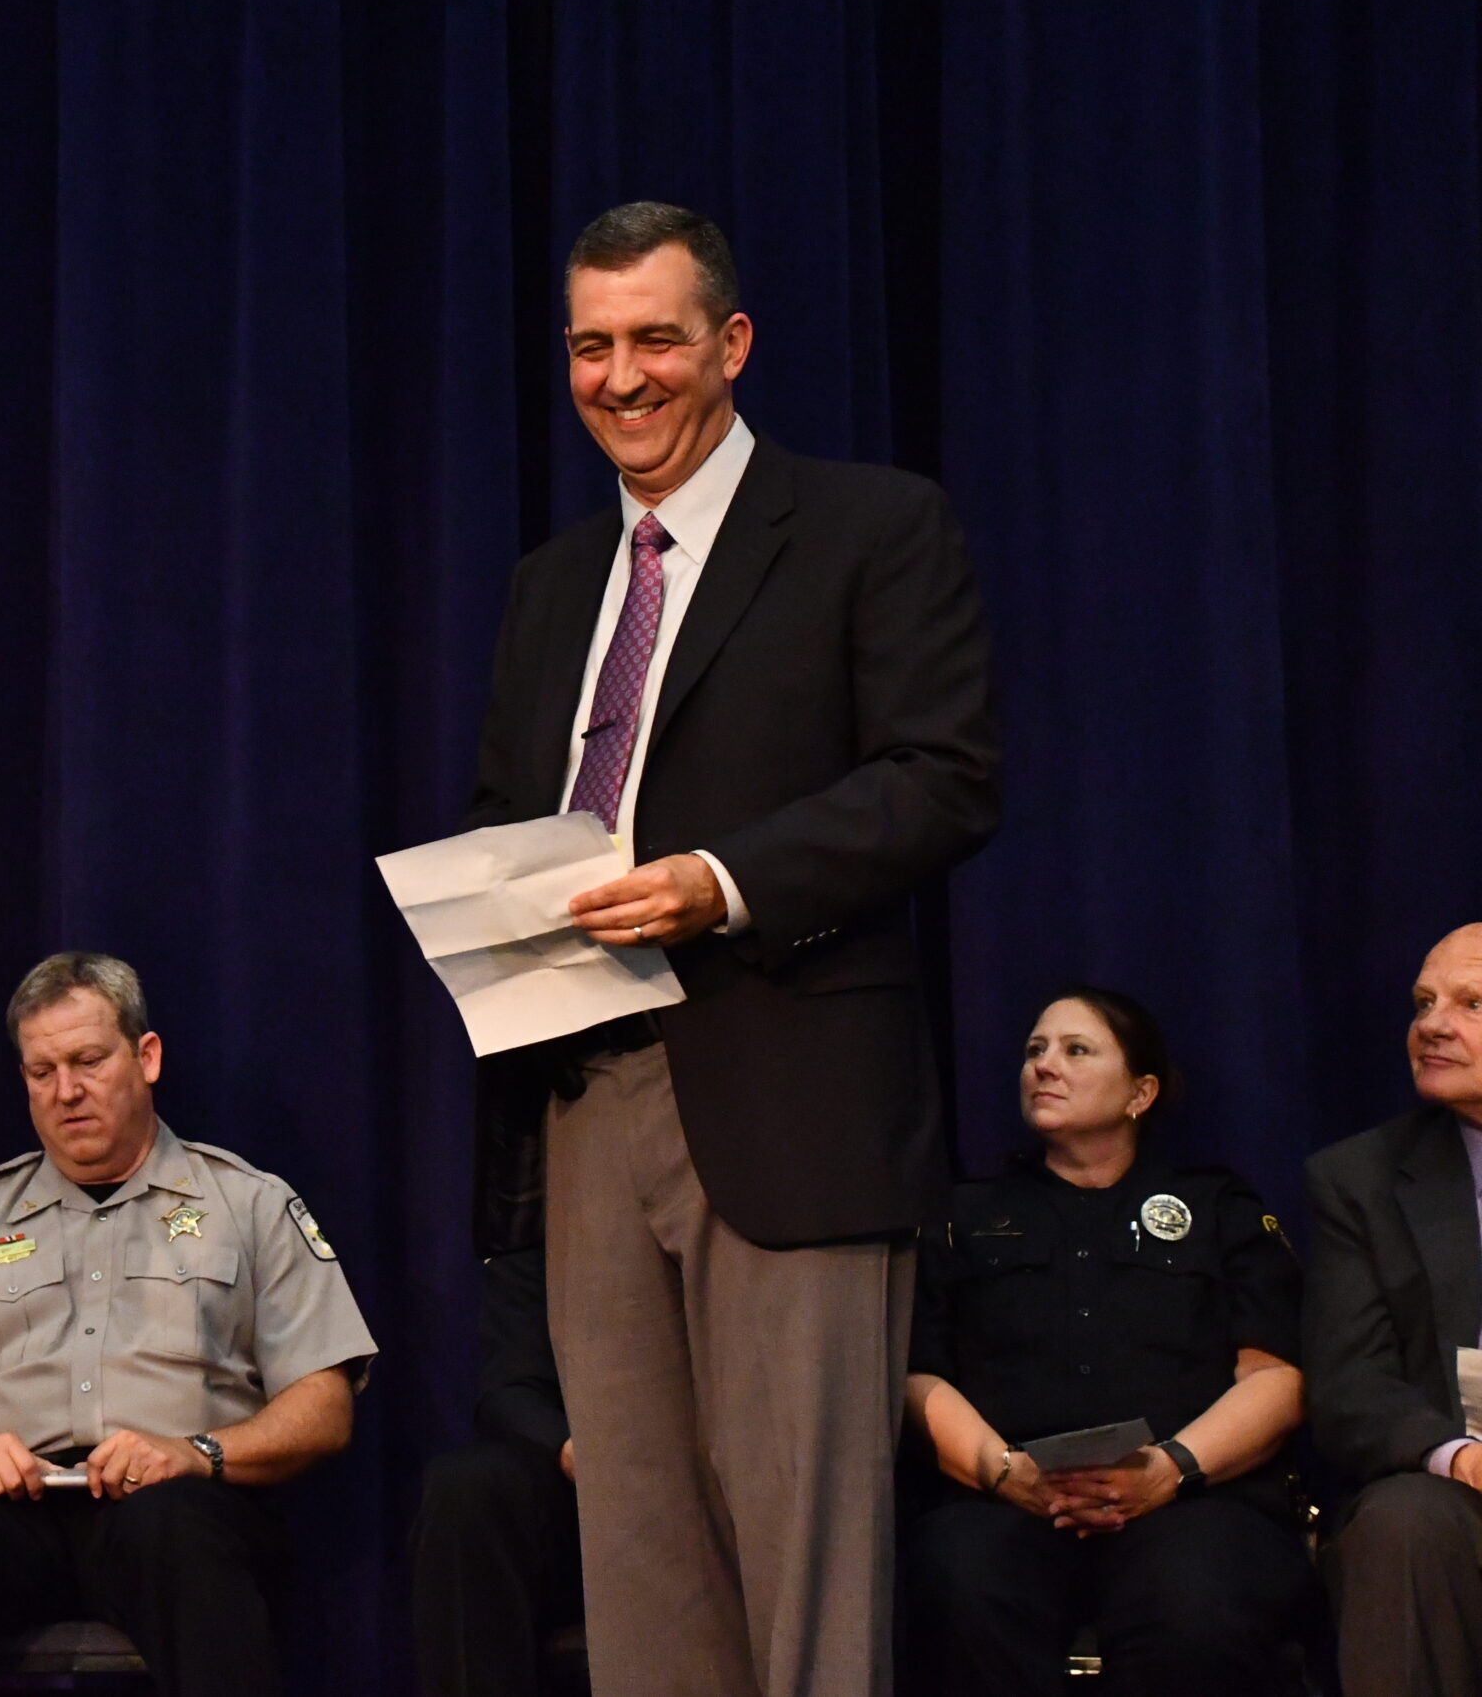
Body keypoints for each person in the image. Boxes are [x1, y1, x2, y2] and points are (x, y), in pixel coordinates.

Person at [463, 201, 1000, 1695]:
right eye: (591, 346)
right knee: (638, 1555)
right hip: (587, 1091)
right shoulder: (552, 582)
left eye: (655, 339)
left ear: (731, 343)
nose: (620, 377)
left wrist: (723, 880)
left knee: (805, 1562)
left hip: (788, 1092)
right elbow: (510, 808)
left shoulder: (870, 526)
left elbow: (944, 776)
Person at [0, 951, 377, 1697]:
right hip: (13, 1515)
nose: (67, 1091)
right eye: (42, 1072)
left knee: (174, 1531)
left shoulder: (248, 1203)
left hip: (175, 1505)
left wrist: (197, 1452)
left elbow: (325, 1409)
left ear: (147, 1057)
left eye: (89, 1061)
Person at [900, 988, 1311, 1695]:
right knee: (956, 1580)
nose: (1044, 1066)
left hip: (1189, 1500)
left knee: (1198, 1605)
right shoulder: (961, 1214)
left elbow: (1275, 1376)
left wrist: (1171, 1469)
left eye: (1076, 1050)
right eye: (1035, 1050)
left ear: (1140, 1093)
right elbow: (918, 1376)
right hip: (1005, 1501)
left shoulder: (1219, 1207)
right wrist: (1004, 1471)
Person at [1304, 922, 1482, 1697]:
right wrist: (1462, 1457)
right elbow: (1351, 1385)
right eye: (1423, 1002)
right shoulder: (1360, 1178)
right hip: (1455, 1486)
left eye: (1472, 1003)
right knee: (1402, 1522)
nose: (1433, 1024)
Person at [412, 1247, 584, 1697]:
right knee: (466, 1490)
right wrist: (571, 1449)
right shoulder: (550, 1228)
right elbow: (512, 1388)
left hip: (715, 1475)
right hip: (590, 1492)